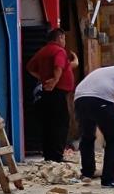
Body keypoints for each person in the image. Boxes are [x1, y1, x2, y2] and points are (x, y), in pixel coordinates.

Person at [74, 65, 114, 188]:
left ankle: (88, 172)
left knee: (87, 136)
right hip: (100, 98)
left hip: (79, 99)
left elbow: (112, 108)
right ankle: (109, 179)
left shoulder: (108, 73)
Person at [26, 28, 78, 162]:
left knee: (48, 124)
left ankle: (49, 155)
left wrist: (43, 78)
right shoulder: (59, 51)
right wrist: (54, 80)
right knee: (61, 124)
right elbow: (58, 66)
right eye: (64, 38)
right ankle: (57, 155)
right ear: (59, 38)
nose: (64, 41)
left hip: (47, 94)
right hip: (58, 92)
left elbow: (30, 67)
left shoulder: (43, 51)